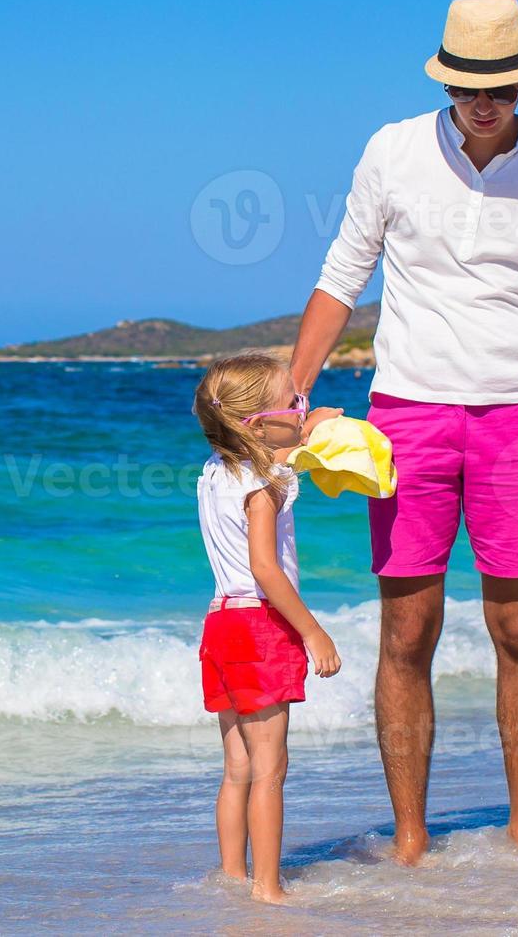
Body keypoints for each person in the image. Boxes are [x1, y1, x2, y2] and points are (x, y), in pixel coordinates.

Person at [286, 0, 518, 863]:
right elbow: (340, 280)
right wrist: (292, 398)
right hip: (406, 413)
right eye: (466, 84)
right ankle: (412, 842)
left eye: (498, 85)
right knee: (407, 631)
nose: (481, 101)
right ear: (445, 78)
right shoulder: (391, 149)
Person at [192, 353, 345, 902]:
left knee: (236, 766)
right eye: (294, 402)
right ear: (256, 421)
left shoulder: (215, 471)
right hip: (260, 626)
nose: (300, 408)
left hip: (220, 625)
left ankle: (232, 875)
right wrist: (312, 631)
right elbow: (265, 568)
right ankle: (268, 887)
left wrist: (308, 424)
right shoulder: (266, 484)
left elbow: (279, 452)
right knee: (270, 769)